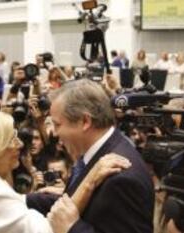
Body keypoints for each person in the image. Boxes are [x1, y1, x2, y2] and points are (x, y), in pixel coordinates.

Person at [0, 107, 131, 233]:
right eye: (11, 139)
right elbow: (52, 229)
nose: (20, 144)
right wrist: (89, 182)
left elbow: (12, 205)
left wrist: (64, 195)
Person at [27, 79, 155, 233]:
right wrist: (18, 201)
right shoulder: (95, 153)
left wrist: (71, 228)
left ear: (85, 121)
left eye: (57, 124)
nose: (54, 132)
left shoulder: (121, 178)